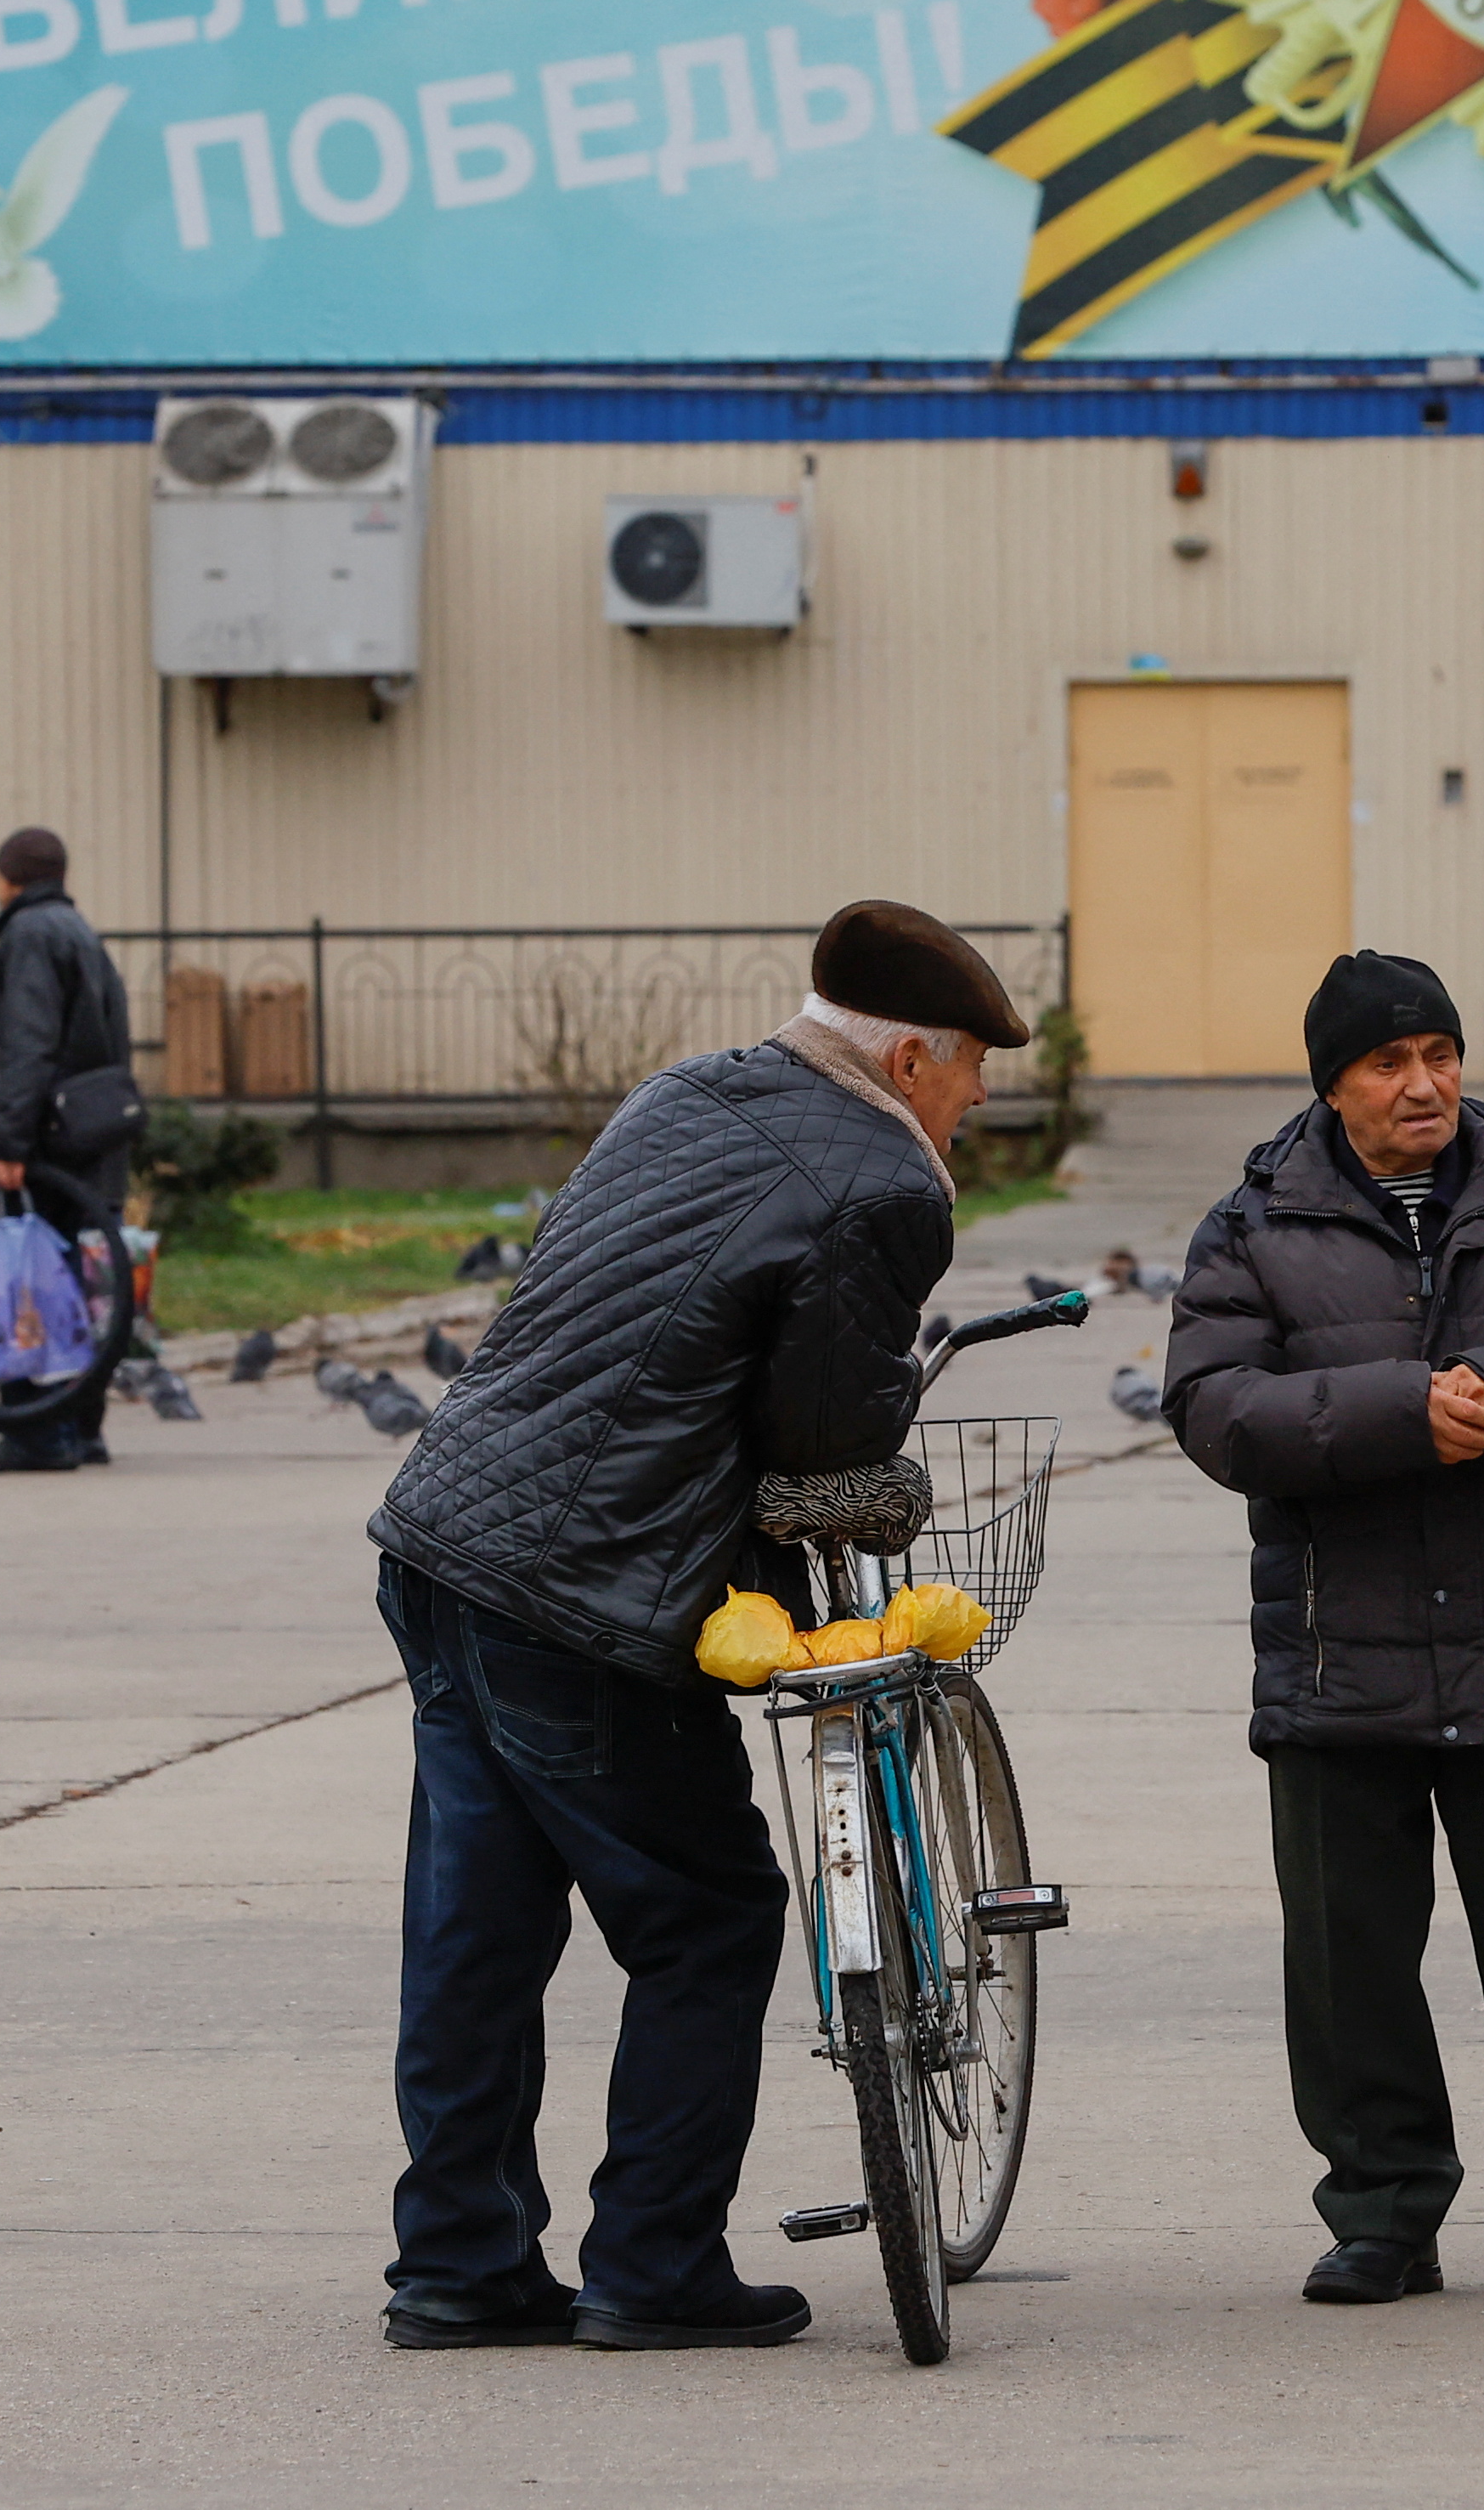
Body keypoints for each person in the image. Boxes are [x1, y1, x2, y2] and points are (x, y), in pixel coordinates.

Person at [364, 901, 1030, 2354]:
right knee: (711, 1911)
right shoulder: (883, 1183)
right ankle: (654, 2262)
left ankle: (460, 2265)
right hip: (585, 1590)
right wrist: (883, 1476)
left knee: (479, 1930)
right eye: (974, 1066)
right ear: (909, 1055)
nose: (979, 1099)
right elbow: (822, 1433)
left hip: (443, 1539)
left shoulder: (687, 1089)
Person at [1163, 951, 1484, 2308]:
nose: (1424, 1083)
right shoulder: (1253, 1222)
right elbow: (1215, 1406)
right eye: (1389, 1062)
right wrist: (1405, 1408)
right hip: (1345, 1647)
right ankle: (1384, 2208)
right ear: (1332, 1082)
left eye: (1440, 1053)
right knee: (1348, 1953)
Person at [0, 825, 133, 1474]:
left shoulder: (28, 935)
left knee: (25, 1282)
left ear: (6, 878)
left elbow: (29, 1045)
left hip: (40, 1145)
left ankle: (35, 1429)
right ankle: (81, 1426)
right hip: (81, 1141)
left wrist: (7, 1138)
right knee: (75, 1284)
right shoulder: (79, 932)